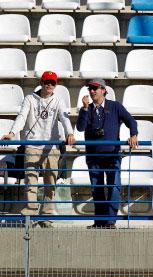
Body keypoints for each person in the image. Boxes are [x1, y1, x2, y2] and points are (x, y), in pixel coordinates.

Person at [1, 71, 75, 228]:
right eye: (46, 82)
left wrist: (70, 133)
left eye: (52, 83)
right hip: (33, 144)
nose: (49, 85)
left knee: (51, 181)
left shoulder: (58, 100)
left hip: (52, 145)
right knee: (31, 179)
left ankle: (46, 215)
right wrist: (12, 133)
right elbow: (21, 117)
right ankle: (31, 211)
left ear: (56, 85)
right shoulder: (29, 99)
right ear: (41, 82)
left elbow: (64, 117)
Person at [76, 79, 138, 229]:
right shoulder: (87, 108)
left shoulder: (115, 106)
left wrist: (134, 135)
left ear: (103, 90)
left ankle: (110, 221)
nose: (92, 91)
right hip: (93, 156)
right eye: (90, 88)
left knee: (113, 187)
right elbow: (80, 128)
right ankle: (99, 221)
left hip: (112, 155)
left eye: (95, 88)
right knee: (96, 189)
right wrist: (84, 110)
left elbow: (131, 121)